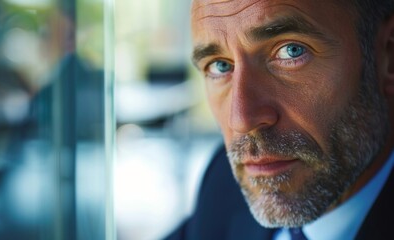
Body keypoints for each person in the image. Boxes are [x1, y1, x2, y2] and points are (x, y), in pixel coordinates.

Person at [165, 0, 394, 239]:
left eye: (291, 51)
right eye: (220, 66)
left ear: (388, 53)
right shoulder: (224, 184)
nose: (242, 120)